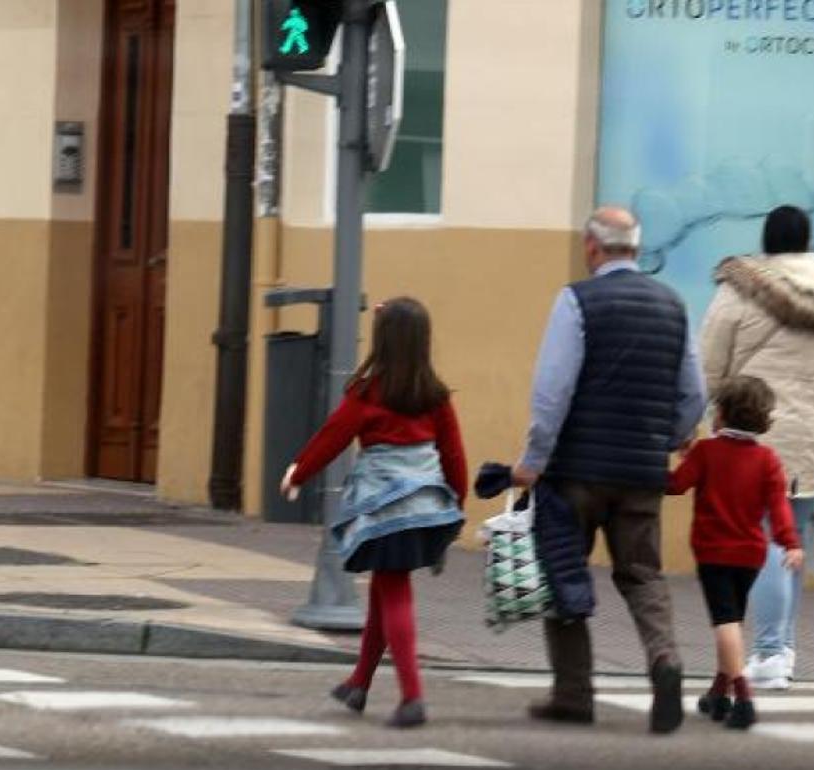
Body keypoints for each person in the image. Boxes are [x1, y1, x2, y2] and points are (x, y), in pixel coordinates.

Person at [511, 206, 706, 734]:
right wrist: (664, 440)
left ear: (593, 248)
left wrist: (534, 460)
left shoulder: (577, 300)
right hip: (642, 471)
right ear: (636, 249)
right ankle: (665, 661)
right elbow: (694, 394)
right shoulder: (673, 304)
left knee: (563, 571)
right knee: (642, 574)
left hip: (577, 471)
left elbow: (553, 389)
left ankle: (574, 694)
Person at [700, 205, 814, 689]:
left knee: (771, 544)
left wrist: (702, 424)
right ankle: (784, 649)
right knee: (791, 541)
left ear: (768, 242)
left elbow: (710, 367)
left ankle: (772, 651)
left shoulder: (739, 292)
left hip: (756, 437)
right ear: (809, 241)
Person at [280, 297, 467, 729]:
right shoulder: (435, 396)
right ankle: (358, 684)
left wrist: (298, 473)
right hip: (426, 509)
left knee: (394, 591)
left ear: (382, 342)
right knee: (385, 593)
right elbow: (454, 454)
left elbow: (333, 437)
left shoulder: (366, 392)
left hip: (384, 514)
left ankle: (412, 697)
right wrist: (455, 504)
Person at [667, 375, 803, 729]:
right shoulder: (768, 459)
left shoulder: (707, 452)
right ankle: (717, 693)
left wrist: (664, 464)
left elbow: (676, 485)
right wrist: (790, 542)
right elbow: (778, 507)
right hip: (751, 555)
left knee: (725, 623)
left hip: (714, 552)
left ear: (721, 414)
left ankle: (742, 697)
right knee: (733, 622)